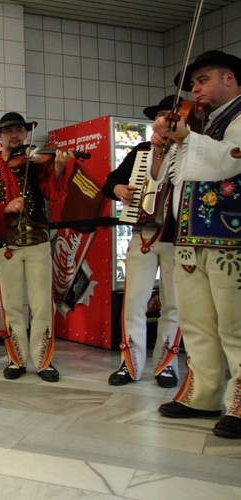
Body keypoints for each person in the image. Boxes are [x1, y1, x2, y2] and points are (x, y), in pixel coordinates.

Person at [149, 50, 241, 439]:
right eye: (195, 84)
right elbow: (165, 178)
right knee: (197, 322)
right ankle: (202, 394)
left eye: (203, 80)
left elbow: (231, 159)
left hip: (229, 238)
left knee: (235, 325)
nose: (196, 89)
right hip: (188, 237)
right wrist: (162, 144)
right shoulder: (201, 123)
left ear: (230, 79)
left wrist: (188, 138)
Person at [0, 112, 71, 383]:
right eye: (9, 131)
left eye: (19, 130)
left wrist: (58, 167)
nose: (14, 135)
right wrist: (5, 207)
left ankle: (43, 360)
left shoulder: (36, 164)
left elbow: (52, 193)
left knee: (41, 304)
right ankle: (17, 359)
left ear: (25, 134)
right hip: (5, 243)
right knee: (11, 305)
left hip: (37, 240)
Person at [102, 96, 182, 388]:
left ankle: (167, 365)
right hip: (144, 234)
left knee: (173, 304)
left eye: (171, 117)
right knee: (134, 300)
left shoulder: (188, 150)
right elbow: (109, 182)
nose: (165, 122)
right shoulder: (141, 151)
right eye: (161, 116)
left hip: (176, 238)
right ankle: (130, 363)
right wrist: (119, 188)